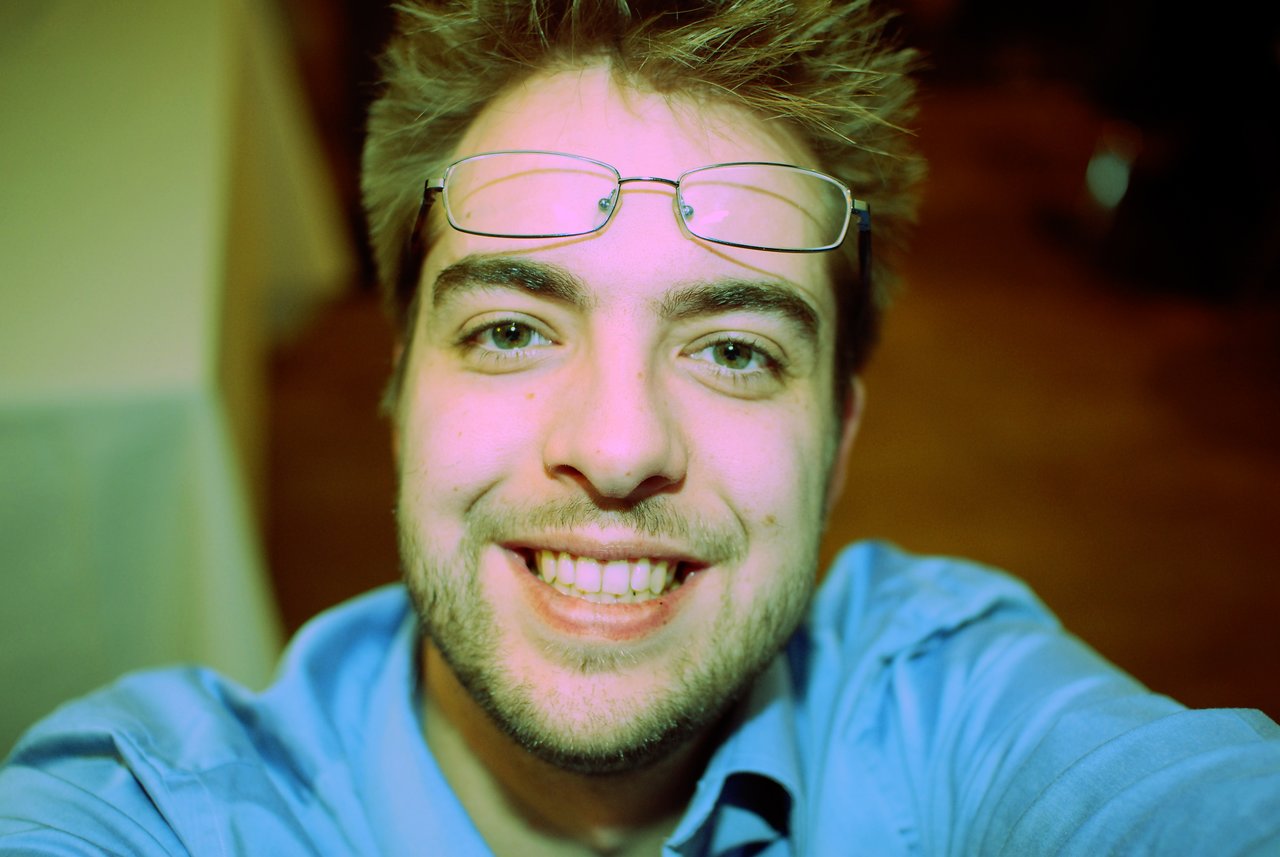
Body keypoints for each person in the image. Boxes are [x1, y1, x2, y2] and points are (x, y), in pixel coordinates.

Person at [2, 0, 1278, 853]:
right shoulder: (160, 804)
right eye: (509, 328)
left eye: (732, 349)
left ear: (837, 440)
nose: (616, 449)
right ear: (396, 393)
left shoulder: (953, 710)